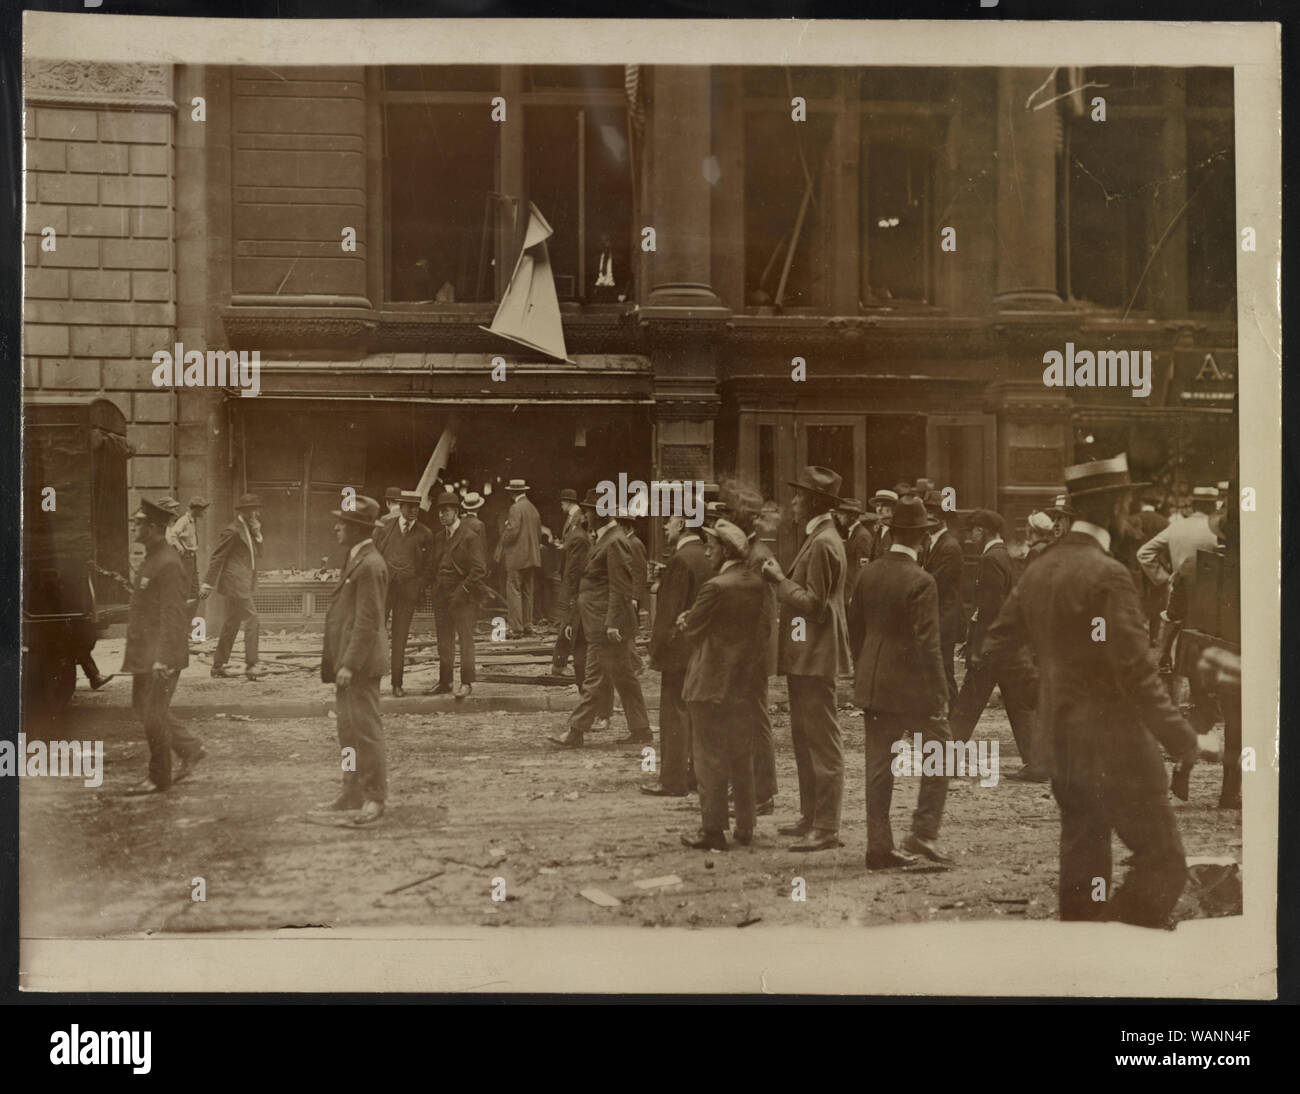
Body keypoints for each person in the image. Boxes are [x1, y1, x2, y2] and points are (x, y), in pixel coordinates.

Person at [980, 454, 1219, 928]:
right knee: (1163, 860)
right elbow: (1137, 675)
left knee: (1085, 854)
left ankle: (1086, 954)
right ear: (1114, 506)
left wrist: (1046, 692)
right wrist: (1186, 740)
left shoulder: (1041, 569)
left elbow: (997, 646)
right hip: (1118, 748)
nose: (1132, 516)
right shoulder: (1108, 575)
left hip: (1062, 743)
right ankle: (1124, 947)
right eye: (1129, 503)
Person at [846, 495, 951, 866]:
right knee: (940, 755)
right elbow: (929, 644)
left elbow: (855, 630)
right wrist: (939, 692)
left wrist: (866, 668)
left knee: (878, 769)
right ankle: (923, 834)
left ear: (891, 534)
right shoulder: (922, 581)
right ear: (922, 538)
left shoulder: (867, 573)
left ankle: (878, 848)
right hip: (914, 692)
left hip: (875, 686)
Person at [759, 466, 852, 853]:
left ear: (814, 501)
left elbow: (814, 605)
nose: (793, 502)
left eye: (799, 496)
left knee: (821, 742)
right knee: (804, 738)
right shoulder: (819, 537)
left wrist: (779, 581)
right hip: (806, 655)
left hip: (815, 655)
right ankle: (811, 815)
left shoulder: (823, 543)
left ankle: (826, 826)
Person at [678, 520, 768, 851]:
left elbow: (693, 630)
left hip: (709, 681)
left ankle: (713, 830)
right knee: (741, 753)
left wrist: (685, 619)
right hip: (742, 683)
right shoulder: (755, 583)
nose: (706, 551)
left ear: (725, 551)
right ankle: (746, 825)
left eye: (712, 547)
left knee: (709, 756)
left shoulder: (716, 586)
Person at [549, 489, 650, 749]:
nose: (586, 516)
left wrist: (612, 624)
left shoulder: (614, 541)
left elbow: (620, 587)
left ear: (602, 514)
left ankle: (575, 731)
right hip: (603, 621)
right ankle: (641, 729)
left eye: (590, 511)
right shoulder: (607, 538)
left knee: (594, 676)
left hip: (604, 625)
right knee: (625, 676)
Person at [950, 509, 1044, 780]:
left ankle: (945, 761)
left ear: (984, 531)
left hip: (992, 648)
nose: (969, 537)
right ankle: (1038, 763)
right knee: (1018, 705)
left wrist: (978, 647)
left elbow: (990, 609)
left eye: (973, 531)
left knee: (968, 704)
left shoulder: (991, 559)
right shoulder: (1003, 556)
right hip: (1009, 647)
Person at [121, 498, 206, 795]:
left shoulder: (168, 563)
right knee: (142, 707)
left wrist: (164, 658)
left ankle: (159, 777)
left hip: (161, 657)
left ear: (155, 528)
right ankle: (190, 748)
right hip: (146, 654)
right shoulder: (152, 558)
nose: (135, 525)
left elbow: (173, 616)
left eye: (140, 522)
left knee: (153, 713)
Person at [318, 494, 389, 825]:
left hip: (359, 665)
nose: (336, 528)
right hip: (348, 662)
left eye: (343, 524)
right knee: (347, 731)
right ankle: (351, 791)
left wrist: (348, 663)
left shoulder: (371, 564)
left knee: (366, 730)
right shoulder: (356, 558)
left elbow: (367, 621)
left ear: (359, 529)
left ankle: (374, 797)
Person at [641, 508, 712, 798]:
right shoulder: (704, 555)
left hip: (677, 648)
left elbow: (668, 613)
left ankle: (672, 781)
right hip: (698, 647)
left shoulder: (681, 560)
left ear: (682, 524)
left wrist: (653, 649)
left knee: (673, 715)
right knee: (694, 713)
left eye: (669, 521)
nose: (665, 527)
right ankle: (695, 776)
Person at [729, 484, 779, 815]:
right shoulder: (751, 552)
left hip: (754, 652)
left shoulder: (758, 556)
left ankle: (762, 793)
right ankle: (753, 788)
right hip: (747, 650)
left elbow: (764, 614)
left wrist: (750, 655)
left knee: (756, 719)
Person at [1137, 485, 1219, 673]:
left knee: (1173, 634)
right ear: (1214, 505)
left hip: (1177, 589)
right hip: (1209, 593)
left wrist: (1165, 578)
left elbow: (1144, 553)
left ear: (1192, 504)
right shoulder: (1217, 532)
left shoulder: (1176, 526)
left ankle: (1169, 673)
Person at [428, 488, 487, 698]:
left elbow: (479, 569)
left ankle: (467, 682)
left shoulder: (470, 537)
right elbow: (434, 566)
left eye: (446, 511)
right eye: (440, 511)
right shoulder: (438, 538)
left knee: (465, 639)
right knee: (443, 641)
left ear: (456, 511)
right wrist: (434, 587)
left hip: (463, 597)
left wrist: (463, 590)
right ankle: (445, 681)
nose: (442, 514)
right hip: (442, 596)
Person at [201, 492, 266, 680]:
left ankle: (218, 666)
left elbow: (259, 554)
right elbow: (218, 556)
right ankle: (251, 665)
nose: (255, 514)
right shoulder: (233, 530)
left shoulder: (249, 528)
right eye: (253, 510)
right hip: (235, 582)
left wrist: (258, 534)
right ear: (245, 511)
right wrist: (207, 583)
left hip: (244, 582)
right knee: (253, 619)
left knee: (232, 623)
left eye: (256, 510)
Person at [379, 490, 435, 697]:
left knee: (400, 638)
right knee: (376, 635)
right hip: (384, 590)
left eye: (416, 507)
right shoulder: (385, 528)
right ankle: (371, 683)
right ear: (400, 507)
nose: (413, 511)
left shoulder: (425, 534)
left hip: (408, 593)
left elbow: (430, 567)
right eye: (409, 506)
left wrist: (418, 585)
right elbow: (374, 556)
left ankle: (397, 683)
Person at [921, 493, 964, 707]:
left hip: (944, 617)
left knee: (944, 669)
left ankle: (955, 717)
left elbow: (937, 583)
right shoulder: (930, 543)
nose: (926, 520)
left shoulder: (950, 546)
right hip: (935, 616)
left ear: (941, 519)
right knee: (933, 668)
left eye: (930, 516)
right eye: (925, 514)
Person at [552, 489, 589, 682]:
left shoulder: (576, 527)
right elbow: (574, 565)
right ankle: (559, 664)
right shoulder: (579, 534)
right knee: (569, 625)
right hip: (575, 586)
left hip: (571, 584)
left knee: (568, 624)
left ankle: (559, 664)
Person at [501, 478, 542, 638]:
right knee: (527, 591)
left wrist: (503, 536)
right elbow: (538, 534)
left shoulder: (515, 508)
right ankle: (527, 625)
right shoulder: (533, 508)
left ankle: (516, 629)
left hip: (517, 557)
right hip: (532, 557)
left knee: (514, 590)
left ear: (512, 493)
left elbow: (512, 532)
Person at [166, 495, 209, 604]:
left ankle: (190, 616)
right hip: (186, 558)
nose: (204, 513)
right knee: (187, 588)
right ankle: (184, 616)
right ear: (196, 509)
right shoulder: (184, 520)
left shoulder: (192, 521)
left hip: (192, 558)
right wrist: (180, 547)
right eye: (203, 510)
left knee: (194, 589)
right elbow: (173, 535)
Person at [868, 489, 899, 560]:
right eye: (877, 505)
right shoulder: (879, 528)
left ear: (893, 508)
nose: (879, 509)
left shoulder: (897, 531)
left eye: (884, 505)